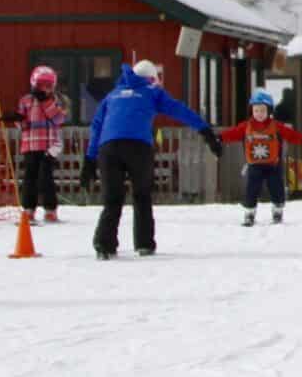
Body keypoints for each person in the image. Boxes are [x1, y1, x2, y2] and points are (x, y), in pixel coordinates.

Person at [80, 59, 219, 258]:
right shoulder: (152, 92)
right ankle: (144, 244)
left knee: (112, 199)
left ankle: (104, 245)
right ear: (152, 79)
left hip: (108, 148)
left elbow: (96, 128)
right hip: (138, 147)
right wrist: (205, 130)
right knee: (141, 195)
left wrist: (89, 160)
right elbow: (180, 110)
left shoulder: (112, 96)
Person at [217, 90, 302, 226]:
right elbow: (232, 133)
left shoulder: (276, 126)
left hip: (273, 165)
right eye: (256, 110)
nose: (259, 114)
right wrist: (219, 137)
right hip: (254, 165)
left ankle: (277, 210)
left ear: (269, 111)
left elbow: (291, 134)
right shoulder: (246, 126)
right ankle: (249, 213)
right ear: (251, 111)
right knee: (251, 190)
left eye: (262, 110)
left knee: (277, 190)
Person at [8, 65, 70, 231]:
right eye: (42, 85)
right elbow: (22, 125)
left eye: (48, 85)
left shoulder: (56, 100)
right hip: (30, 144)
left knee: (45, 177)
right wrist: (17, 119)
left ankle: (50, 209)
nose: (46, 88)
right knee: (30, 178)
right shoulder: (26, 100)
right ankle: (29, 209)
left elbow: (58, 119)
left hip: (48, 146)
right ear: (35, 84)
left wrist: (46, 101)